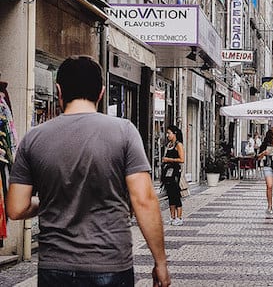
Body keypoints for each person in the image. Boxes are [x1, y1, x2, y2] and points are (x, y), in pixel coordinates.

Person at [7, 55, 171, 286]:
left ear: (58, 90)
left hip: (55, 266)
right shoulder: (124, 132)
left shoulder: (33, 139)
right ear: (102, 92)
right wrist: (160, 262)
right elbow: (143, 200)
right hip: (111, 263)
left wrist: (51, 200)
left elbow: (15, 208)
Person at [162, 125, 186, 225]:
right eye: (167, 133)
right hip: (167, 172)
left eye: (169, 133)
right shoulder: (169, 145)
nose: (167, 135)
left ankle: (179, 217)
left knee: (176, 194)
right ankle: (172, 217)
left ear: (174, 133)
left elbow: (182, 160)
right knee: (170, 194)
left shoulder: (178, 145)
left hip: (175, 171)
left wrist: (169, 160)